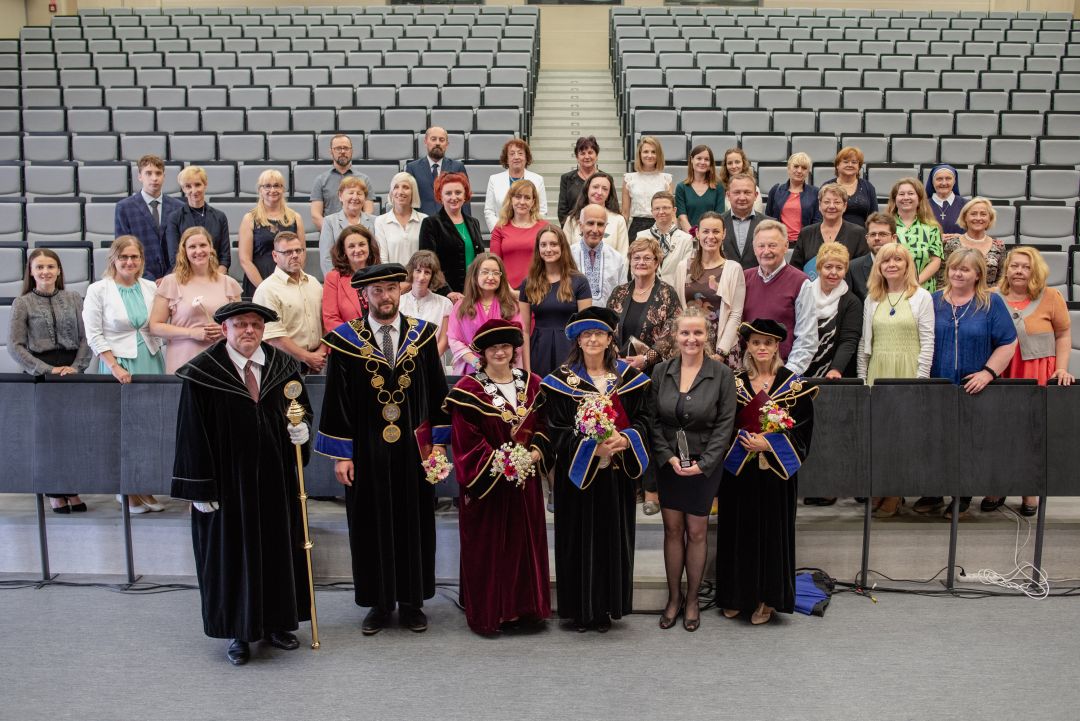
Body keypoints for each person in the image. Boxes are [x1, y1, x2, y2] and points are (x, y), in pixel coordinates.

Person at [171, 301, 313, 666]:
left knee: (278, 551)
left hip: (276, 479)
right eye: (240, 324)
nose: (249, 330)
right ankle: (239, 631)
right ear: (225, 329)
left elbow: (300, 410)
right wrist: (199, 488)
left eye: (255, 324)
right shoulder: (204, 373)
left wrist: (302, 432)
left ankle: (278, 623)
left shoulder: (283, 367)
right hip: (228, 484)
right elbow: (191, 434)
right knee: (233, 555)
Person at [316, 263, 451, 635]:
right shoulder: (346, 340)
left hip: (414, 450)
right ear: (364, 295)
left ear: (399, 291)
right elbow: (337, 400)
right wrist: (342, 454)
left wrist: (439, 446)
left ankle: (411, 601)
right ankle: (378, 602)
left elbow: (437, 393)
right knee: (369, 525)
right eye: (377, 290)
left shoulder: (422, 335)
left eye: (391, 288)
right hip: (366, 450)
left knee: (414, 522)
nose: (385, 296)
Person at [540, 306, 651, 632]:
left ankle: (604, 608)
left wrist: (626, 439)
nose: (592, 339)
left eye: (599, 334)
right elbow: (556, 429)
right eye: (586, 334)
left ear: (609, 339)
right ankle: (578, 610)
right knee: (576, 539)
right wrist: (592, 448)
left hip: (615, 475)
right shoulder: (561, 381)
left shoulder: (629, 379)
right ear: (577, 339)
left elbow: (645, 420)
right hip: (576, 477)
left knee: (609, 539)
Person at [445, 319, 551, 635]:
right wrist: (504, 464)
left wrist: (533, 455)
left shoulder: (532, 384)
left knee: (523, 548)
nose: (500, 352)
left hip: (525, 485)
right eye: (493, 347)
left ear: (514, 349)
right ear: (483, 352)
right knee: (490, 550)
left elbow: (544, 426)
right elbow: (466, 442)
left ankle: (525, 610)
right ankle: (492, 613)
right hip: (488, 488)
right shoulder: (468, 390)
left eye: (505, 346)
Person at [715, 319, 817, 625]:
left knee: (772, 535)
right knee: (739, 533)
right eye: (756, 342)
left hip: (776, 475)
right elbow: (721, 426)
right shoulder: (733, 383)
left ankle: (767, 600)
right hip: (740, 473)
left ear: (777, 347)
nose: (762, 348)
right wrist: (744, 440)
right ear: (747, 345)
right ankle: (736, 596)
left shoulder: (794, 387)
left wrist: (768, 443)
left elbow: (804, 434)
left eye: (768, 343)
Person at [651, 307, 736, 632]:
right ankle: (674, 598)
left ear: (707, 336)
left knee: (697, 532)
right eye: (685, 332)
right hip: (669, 464)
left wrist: (705, 463)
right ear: (675, 336)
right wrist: (667, 456)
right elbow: (652, 421)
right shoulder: (661, 372)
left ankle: (692, 600)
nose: (691, 338)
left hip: (704, 465)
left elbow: (725, 425)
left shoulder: (722, 374)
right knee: (672, 531)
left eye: (698, 332)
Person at [916, 249, 1017, 519]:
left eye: (965, 269)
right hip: (938, 387)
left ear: (978, 274)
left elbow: (1008, 342)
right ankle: (935, 492)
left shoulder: (991, 303)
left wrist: (987, 373)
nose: (958, 274)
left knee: (969, 444)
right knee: (936, 441)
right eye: (954, 268)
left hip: (975, 388)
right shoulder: (933, 300)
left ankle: (962, 497)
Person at [83, 236, 166, 513]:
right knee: (124, 430)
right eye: (124, 257)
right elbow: (94, 334)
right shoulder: (99, 290)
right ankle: (126, 490)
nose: (130, 262)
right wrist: (114, 366)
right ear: (114, 259)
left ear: (142, 260)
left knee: (149, 428)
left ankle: (144, 486)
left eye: (135, 257)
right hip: (119, 364)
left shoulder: (151, 287)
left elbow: (158, 323)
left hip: (150, 360)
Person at [990, 246, 1073, 516]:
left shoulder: (1051, 297)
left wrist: (1061, 369)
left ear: (1035, 271)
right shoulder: (992, 297)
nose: (1019, 271)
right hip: (1002, 373)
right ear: (1006, 269)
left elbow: (1063, 334)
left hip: (1035, 375)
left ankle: (1029, 491)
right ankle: (998, 486)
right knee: (999, 432)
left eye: (1026, 267)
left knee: (1031, 435)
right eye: (1014, 265)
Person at [8, 249, 91, 514]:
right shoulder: (22, 303)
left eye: (51, 266)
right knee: (49, 436)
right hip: (41, 374)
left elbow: (86, 337)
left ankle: (72, 488)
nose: (46, 271)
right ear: (31, 272)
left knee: (72, 434)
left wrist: (76, 367)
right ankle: (54, 491)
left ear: (59, 271)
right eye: (40, 267)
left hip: (71, 371)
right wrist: (47, 370)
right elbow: (15, 346)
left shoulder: (73, 298)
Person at [857, 242, 935, 519]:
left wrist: (920, 381)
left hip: (907, 371)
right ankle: (881, 486)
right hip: (879, 371)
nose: (891, 265)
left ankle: (895, 492)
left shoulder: (921, 297)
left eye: (897, 260)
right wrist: (863, 380)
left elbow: (928, 341)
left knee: (903, 437)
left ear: (907, 265)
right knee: (879, 437)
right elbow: (865, 343)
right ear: (878, 266)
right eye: (886, 260)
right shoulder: (872, 298)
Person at [150, 226, 242, 374]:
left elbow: (240, 325)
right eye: (192, 247)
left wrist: (224, 330)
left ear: (211, 248)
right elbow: (155, 326)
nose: (198, 251)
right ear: (184, 251)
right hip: (184, 361)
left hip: (221, 361)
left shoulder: (229, 283)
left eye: (203, 245)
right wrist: (192, 333)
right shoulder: (171, 282)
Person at [742, 220, 817, 375]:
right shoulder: (743, 279)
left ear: (786, 246)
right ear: (754, 249)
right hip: (747, 372)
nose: (766, 251)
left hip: (783, 371)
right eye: (761, 246)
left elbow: (807, 339)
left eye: (772, 245)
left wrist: (786, 375)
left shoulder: (801, 283)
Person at [518, 225, 591, 379]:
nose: (548, 249)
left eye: (554, 244)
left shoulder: (580, 281)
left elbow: (586, 327)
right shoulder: (528, 283)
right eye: (543, 245)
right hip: (539, 350)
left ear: (562, 247)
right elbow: (524, 330)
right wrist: (527, 369)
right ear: (538, 249)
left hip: (570, 350)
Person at [673, 212, 745, 361]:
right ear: (697, 234)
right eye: (706, 231)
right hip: (691, 346)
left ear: (724, 234)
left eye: (716, 231)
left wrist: (721, 352)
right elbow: (679, 311)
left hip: (723, 349)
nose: (711, 236)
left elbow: (735, 315)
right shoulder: (683, 267)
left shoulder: (733, 268)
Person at [252, 232, 327, 375]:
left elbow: (326, 322)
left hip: (318, 361)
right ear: (275, 256)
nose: (295, 255)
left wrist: (320, 353)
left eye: (298, 250)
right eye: (287, 252)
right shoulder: (267, 290)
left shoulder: (314, 283)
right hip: (284, 364)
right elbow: (274, 337)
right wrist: (307, 357)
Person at [605, 237, 681, 373]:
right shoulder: (619, 292)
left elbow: (672, 333)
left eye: (647, 258)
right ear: (630, 262)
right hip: (619, 367)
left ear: (656, 262)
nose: (641, 262)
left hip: (655, 371)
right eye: (636, 258)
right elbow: (606, 327)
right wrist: (615, 356)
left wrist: (646, 359)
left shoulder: (667, 293)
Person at [447, 253, 528, 376]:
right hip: (471, 369)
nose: (491, 277)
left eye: (496, 273)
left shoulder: (512, 306)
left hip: (505, 370)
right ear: (475, 275)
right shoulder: (460, 306)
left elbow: (518, 339)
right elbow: (454, 339)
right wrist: (475, 362)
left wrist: (497, 362)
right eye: (485, 272)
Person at [114, 154, 184, 281]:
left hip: (174, 278)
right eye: (148, 173)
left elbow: (183, 246)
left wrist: (169, 277)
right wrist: (147, 278)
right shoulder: (124, 207)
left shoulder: (178, 207)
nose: (154, 178)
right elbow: (122, 248)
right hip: (139, 278)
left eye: (158, 173)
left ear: (164, 176)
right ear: (140, 176)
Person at [417, 172, 484, 300]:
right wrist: (446, 292)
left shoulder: (474, 222)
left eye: (458, 192)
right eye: (448, 193)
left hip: (474, 292)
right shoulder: (431, 223)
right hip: (446, 295)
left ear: (465, 195)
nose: (454, 197)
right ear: (440, 196)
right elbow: (428, 264)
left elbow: (480, 258)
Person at [237, 169, 303, 298]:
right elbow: (245, 260)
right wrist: (264, 288)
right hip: (258, 283)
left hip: (288, 281)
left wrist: (291, 280)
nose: (272, 190)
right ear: (260, 190)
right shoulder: (249, 218)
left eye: (277, 185)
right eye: (267, 186)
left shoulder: (295, 218)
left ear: (283, 189)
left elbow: (302, 253)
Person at [804, 243, 862, 380]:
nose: (834, 272)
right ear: (819, 268)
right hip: (802, 370)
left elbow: (849, 340)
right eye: (828, 267)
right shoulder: (803, 295)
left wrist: (836, 369)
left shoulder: (852, 302)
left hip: (834, 376)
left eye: (839, 268)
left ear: (845, 271)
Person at [790, 183, 871, 279]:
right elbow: (795, 269)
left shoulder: (858, 233)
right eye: (827, 202)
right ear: (819, 205)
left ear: (845, 206)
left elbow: (862, 270)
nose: (831, 206)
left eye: (837, 202)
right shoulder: (806, 233)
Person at [166, 165, 230, 272]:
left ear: (205, 185)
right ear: (183, 189)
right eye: (188, 186)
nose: (194, 190)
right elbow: (175, 258)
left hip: (215, 275)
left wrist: (214, 278)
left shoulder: (220, 217)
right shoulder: (174, 218)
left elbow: (225, 258)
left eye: (197, 185)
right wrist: (195, 279)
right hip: (185, 276)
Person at [321, 224, 381, 334]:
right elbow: (330, 319)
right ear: (344, 250)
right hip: (348, 340)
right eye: (351, 246)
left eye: (362, 244)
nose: (357, 250)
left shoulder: (381, 274)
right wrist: (357, 338)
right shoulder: (333, 278)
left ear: (369, 246)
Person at [489, 179, 548, 290]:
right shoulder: (500, 228)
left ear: (533, 202)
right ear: (511, 199)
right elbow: (494, 263)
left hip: (538, 290)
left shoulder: (544, 228)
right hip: (507, 291)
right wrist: (507, 290)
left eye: (527, 197)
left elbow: (550, 263)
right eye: (518, 196)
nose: (522, 202)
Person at [886, 177, 943, 292]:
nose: (906, 197)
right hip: (892, 288)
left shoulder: (932, 228)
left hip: (923, 289)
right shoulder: (885, 226)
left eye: (911, 193)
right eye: (901, 194)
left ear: (919, 198)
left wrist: (914, 283)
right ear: (895, 199)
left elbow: (935, 261)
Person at [937, 197, 1006, 289]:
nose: (978, 218)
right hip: (957, 296)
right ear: (965, 217)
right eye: (973, 214)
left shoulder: (998, 246)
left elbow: (1002, 279)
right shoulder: (951, 244)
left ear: (990, 218)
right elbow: (942, 279)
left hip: (989, 296)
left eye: (983, 214)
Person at [310, 133, 374, 231]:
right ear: (331, 151)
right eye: (338, 148)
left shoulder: (364, 179)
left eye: (346, 148)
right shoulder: (320, 180)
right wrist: (335, 232)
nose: (343, 151)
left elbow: (368, 212)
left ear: (351, 151)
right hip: (331, 235)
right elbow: (316, 215)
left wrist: (355, 234)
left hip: (358, 234)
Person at [483, 138, 549, 231]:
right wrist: (498, 231)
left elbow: (542, 210)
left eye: (520, 153)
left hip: (530, 232)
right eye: (512, 154)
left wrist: (533, 231)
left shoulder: (538, 180)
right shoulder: (494, 179)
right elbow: (489, 211)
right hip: (502, 232)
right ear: (507, 159)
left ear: (526, 158)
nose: (516, 157)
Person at [318, 176, 377, 276]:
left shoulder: (375, 221)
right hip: (340, 279)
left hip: (369, 278)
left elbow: (377, 254)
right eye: (351, 193)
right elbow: (326, 259)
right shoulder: (329, 222)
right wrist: (337, 281)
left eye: (359, 193)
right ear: (340, 196)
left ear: (365, 198)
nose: (355, 197)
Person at [404, 126, 470, 216]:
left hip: (450, 221)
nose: (437, 143)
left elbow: (465, 199)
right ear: (425, 142)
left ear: (447, 144)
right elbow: (408, 200)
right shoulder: (412, 168)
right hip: (422, 221)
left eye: (442, 140)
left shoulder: (457, 167)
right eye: (433, 139)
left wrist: (467, 223)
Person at [570, 204, 626, 307]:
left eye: (600, 224)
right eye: (590, 223)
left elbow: (622, 297)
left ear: (605, 227)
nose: (595, 230)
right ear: (581, 226)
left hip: (607, 316)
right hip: (574, 316)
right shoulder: (568, 255)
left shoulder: (617, 259)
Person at [636, 190, 694, 290]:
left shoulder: (686, 239)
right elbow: (636, 269)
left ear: (674, 210)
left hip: (675, 292)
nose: (661, 212)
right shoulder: (641, 237)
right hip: (647, 291)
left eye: (666, 208)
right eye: (657, 208)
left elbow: (687, 272)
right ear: (652, 212)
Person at [400, 250, 453, 356]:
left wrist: (428, 362)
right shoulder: (399, 302)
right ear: (411, 272)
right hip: (404, 361)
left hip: (434, 361)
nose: (421, 277)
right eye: (418, 271)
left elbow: (444, 341)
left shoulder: (445, 304)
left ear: (433, 276)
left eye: (427, 272)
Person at [562, 171, 630, 255]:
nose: (599, 192)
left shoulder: (618, 220)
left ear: (609, 194)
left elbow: (623, 255)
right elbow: (565, 253)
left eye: (605, 189)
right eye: (595, 187)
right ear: (587, 189)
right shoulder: (572, 220)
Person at [622, 136, 674, 239]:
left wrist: (673, 234)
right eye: (646, 152)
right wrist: (622, 237)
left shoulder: (666, 179)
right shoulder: (629, 179)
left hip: (660, 227)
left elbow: (670, 212)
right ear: (640, 154)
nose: (649, 155)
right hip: (636, 228)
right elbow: (625, 213)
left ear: (658, 155)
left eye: (653, 152)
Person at [765, 152, 822, 244]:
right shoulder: (776, 190)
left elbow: (817, 222)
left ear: (808, 172)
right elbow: (768, 218)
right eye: (796, 166)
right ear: (788, 168)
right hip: (779, 242)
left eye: (804, 168)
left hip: (805, 243)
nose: (799, 171)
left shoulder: (815, 192)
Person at [373, 172, 426, 267]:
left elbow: (427, 257)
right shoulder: (380, 221)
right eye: (396, 187)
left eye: (405, 187)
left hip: (419, 274)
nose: (400, 192)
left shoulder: (424, 220)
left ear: (413, 192)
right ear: (391, 192)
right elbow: (382, 259)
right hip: (391, 275)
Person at [720, 173, 768, 270]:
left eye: (747, 192)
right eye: (737, 192)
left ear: (755, 195)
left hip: (759, 279)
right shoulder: (717, 223)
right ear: (728, 195)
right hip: (723, 278)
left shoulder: (769, 224)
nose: (742, 197)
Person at [822, 146, 878, 227]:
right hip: (833, 232)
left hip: (861, 233)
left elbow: (874, 216)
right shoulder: (827, 186)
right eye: (846, 162)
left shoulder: (868, 187)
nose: (850, 165)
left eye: (854, 162)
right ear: (837, 165)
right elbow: (820, 215)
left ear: (859, 167)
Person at [847, 212, 898, 301]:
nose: (877, 238)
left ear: (894, 238)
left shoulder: (906, 265)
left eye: (882, 234)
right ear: (867, 239)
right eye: (873, 234)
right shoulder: (853, 268)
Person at [676, 145, 726, 233]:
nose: (702, 162)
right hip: (688, 236)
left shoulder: (718, 187)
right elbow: (682, 218)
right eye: (699, 158)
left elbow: (719, 217)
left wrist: (706, 236)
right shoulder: (681, 187)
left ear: (710, 163)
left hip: (711, 236)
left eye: (706, 159)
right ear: (692, 160)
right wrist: (694, 236)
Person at [558, 135, 600, 226]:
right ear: (577, 157)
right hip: (573, 228)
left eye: (590, 152)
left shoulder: (605, 179)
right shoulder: (566, 179)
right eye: (582, 153)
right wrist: (572, 228)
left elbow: (611, 207)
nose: (587, 156)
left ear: (596, 155)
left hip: (599, 228)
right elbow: (562, 211)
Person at [924, 164, 967, 237]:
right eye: (939, 179)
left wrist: (961, 237)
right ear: (932, 181)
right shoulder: (923, 205)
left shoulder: (966, 205)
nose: (944, 183)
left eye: (948, 178)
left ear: (954, 181)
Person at [718, 147, 763, 214]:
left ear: (743, 163)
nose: (734, 166)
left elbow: (757, 214)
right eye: (730, 163)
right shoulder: (720, 188)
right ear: (725, 166)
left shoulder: (754, 188)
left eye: (737, 162)